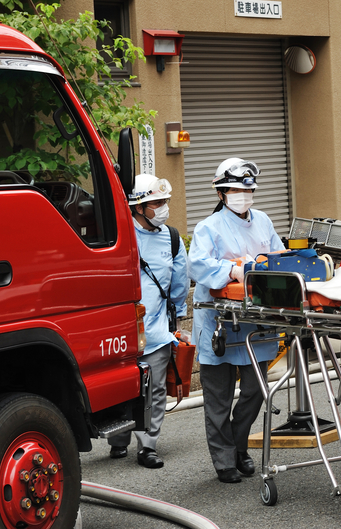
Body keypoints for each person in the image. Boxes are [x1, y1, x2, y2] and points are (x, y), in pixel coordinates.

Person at [188, 157, 285, 484]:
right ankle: (225, 461)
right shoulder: (207, 228)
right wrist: (231, 269)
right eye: (235, 189)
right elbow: (197, 266)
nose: (244, 194)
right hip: (219, 321)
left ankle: (238, 445)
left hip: (254, 322)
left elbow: (279, 257)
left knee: (257, 391)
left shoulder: (264, 222)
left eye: (249, 189)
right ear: (221, 193)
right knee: (218, 398)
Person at [108, 173, 188, 469]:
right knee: (123, 386)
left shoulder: (173, 238)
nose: (163, 208)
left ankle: (148, 445)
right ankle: (118, 439)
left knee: (154, 388)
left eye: (164, 201)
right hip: (125, 329)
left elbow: (180, 281)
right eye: (156, 203)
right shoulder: (120, 235)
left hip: (157, 329)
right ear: (139, 208)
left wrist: (178, 320)